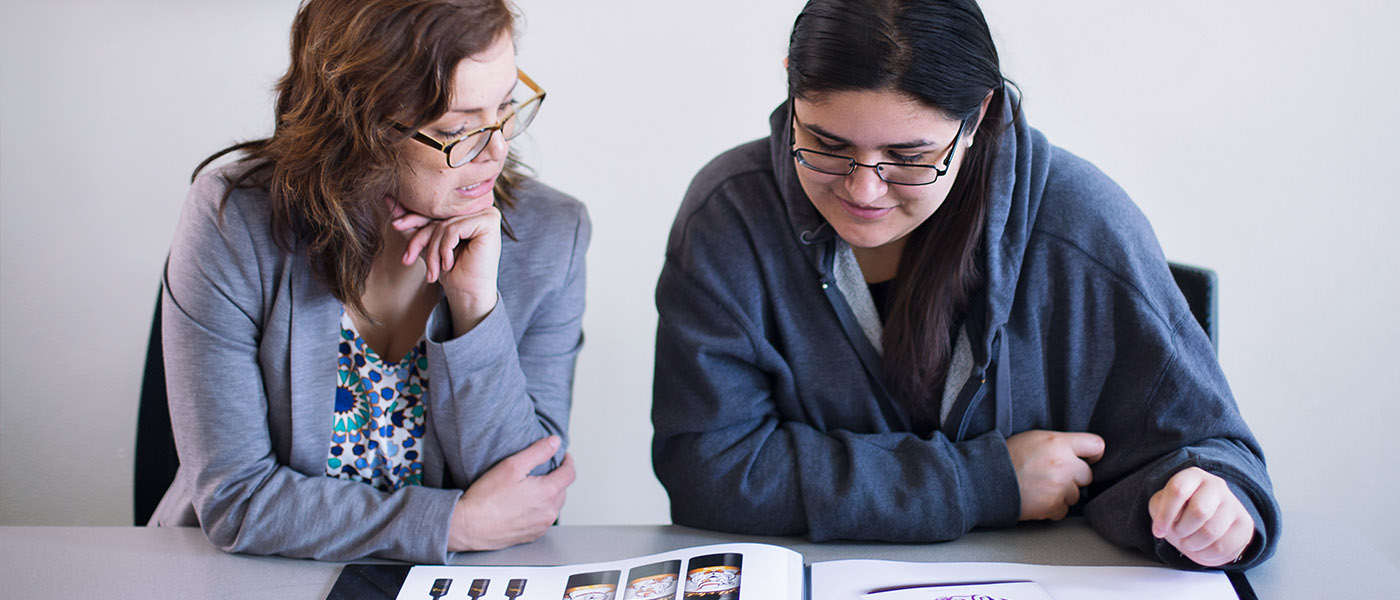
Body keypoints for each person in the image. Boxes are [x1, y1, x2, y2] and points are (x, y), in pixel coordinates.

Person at [652, 0, 1278, 570]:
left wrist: (1215, 508)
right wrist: (983, 481)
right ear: (791, 86)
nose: (863, 189)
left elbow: (1214, 453)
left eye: (908, 156)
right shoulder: (728, 216)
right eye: (824, 143)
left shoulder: (1083, 224)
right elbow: (705, 466)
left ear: (977, 115)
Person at [152, 0, 589, 563]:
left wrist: (476, 308)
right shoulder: (234, 220)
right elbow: (236, 499)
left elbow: (532, 491)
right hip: (244, 578)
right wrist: (451, 526)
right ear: (358, 126)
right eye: (458, 128)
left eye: (505, 108)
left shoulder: (554, 234)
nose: (497, 150)